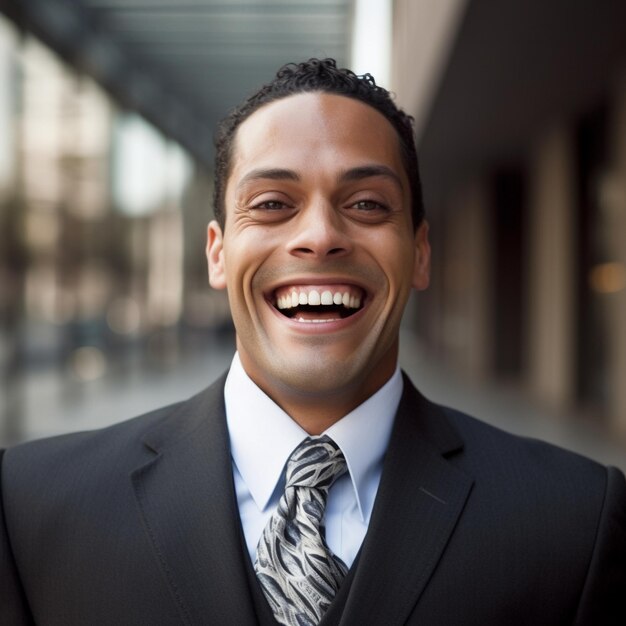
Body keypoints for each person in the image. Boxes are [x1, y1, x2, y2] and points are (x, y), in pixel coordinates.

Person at [1, 58, 625, 626]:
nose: (321, 236)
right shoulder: (31, 507)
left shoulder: (575, 520)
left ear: (421, 253)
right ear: (218, 254)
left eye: (367, 204)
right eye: (273, 203)